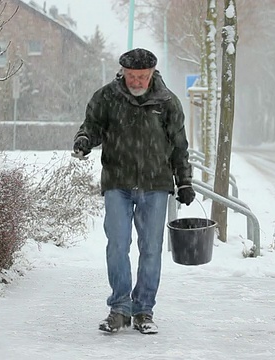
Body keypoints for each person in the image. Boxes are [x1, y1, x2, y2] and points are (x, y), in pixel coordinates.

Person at [72, 48, 195, 334]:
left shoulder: (167, 103)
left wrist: (184, 181)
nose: (137, 81)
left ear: (152, 73)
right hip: (118, 182)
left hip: (156, 185)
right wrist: (84, 140)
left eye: (142, 76)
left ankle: (143, 310)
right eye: (132, 76)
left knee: (151, 249)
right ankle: (119, 308)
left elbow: (179, 146)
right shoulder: (106, 98)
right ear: (122, 72)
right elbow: (92, 127)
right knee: (117, 245)